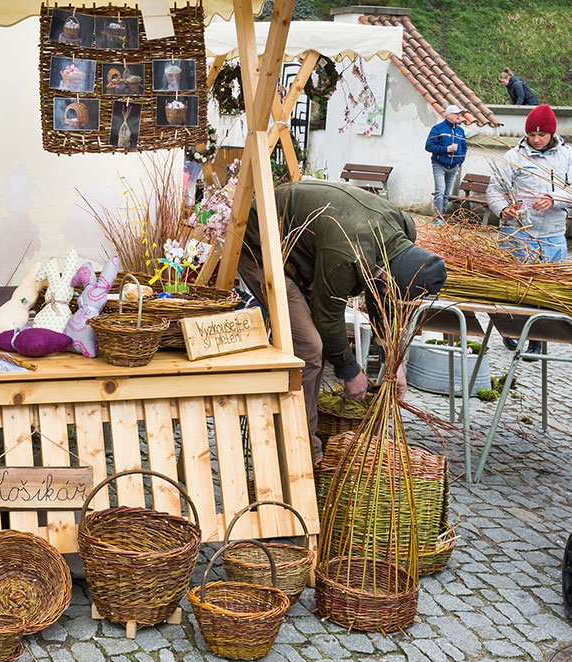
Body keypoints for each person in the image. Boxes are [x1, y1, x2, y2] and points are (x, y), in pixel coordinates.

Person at [237, 180, 447, 462]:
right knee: (310, 347)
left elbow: (381, 299)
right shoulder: (348, 254)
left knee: (316, 344)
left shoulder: (403, 228)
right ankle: (300, 450)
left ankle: (303, 428)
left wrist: (392, 360)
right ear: (388, 275)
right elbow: (328, 315)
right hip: (257, 245)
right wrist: (349, 371)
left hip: (305, 249)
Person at [486, 104, 572, 355]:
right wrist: (503, 209)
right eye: (532, 135)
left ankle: (537, 339)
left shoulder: (567, 157)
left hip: (552, 234)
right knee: (516, 287)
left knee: (544, 289)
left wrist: (554, 198)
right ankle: (512, 332)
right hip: (518, 233)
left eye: (541, 135)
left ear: (552, 134)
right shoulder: (514, 156)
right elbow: (494, 190)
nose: (536, 139)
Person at [425, 104, 468, 221]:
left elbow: (464, 147)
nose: (459, 116)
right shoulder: (438, 129)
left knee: (447, 194)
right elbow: (428, 146)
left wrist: (460, 161)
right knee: (440, 191)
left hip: (453, 167)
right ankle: (437, 218)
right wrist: (446, 149)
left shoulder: (460, 131)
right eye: (457, 114)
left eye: (460, 114)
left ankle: (442, 217)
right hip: (439, 165)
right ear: (448, 115)